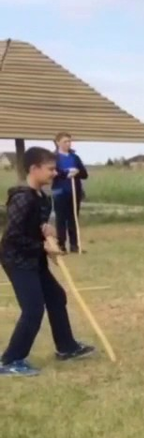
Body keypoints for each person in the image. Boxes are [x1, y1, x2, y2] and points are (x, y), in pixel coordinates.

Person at [1, 147, 95, 377]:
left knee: (56, 297)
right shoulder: (22, 198)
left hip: (34, 258)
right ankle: (10, 360)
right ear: (34, 169)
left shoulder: (41, 197)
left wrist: (46, 231)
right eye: (51, 169)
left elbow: (35, 226)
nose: (55, 173)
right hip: (18, 260)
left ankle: (66, 347)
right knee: (33, 309)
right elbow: (12, 237)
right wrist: (41, 245)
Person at [51, 132, 88, 254]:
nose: (68, 144)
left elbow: (84, 174)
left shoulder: (74, 158)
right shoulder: (53, 157)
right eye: (65, 141)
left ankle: (74, 245)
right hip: (60, 191)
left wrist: (77, 171)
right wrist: (65, 173)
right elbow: (52, 172)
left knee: (73, 218)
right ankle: (61, 245)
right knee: (61, 219)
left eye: (69, 141)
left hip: (74, 191)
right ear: (58, 143)